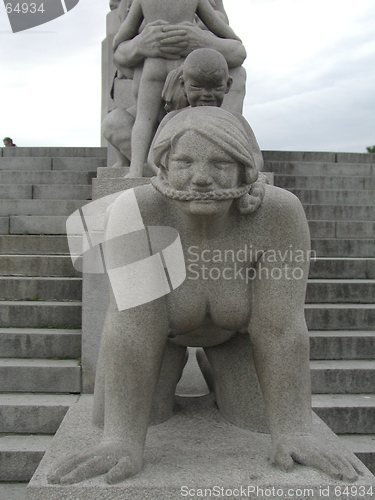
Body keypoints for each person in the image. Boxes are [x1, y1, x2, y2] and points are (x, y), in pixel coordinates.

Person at [49, 107, 360, 485]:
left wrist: (295, 429)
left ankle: (219, 373)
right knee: (142, 418)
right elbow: (132, 330)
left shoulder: (279, 214)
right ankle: (163, 386)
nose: (200, 178)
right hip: (158, 341)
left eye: (219, 163)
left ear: (244, 169)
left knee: (260, 421)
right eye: (183, 162)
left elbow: (280, 329)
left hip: (236, 339)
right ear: (163, 166)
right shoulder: (137, 212)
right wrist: (122, 439)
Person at [111, 0, 241, 178]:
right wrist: (139, 44)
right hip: (175, 63)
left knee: (147, 118)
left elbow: (237, 49)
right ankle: (145, 167)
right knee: (158, 118)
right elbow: (118, 50)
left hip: (162, 64)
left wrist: (203, 40)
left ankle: (136, 170)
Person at [148, 48, 264, 173]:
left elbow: (255, 157)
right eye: (197, 87)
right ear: (183, 85)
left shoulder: (236, 120)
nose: (207, 94)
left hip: (225, 185)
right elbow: (153, 158)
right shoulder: (173, 119)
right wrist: (166, 177)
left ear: (228, 85)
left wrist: (249, 175)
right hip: (180, 184)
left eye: (216, 87)